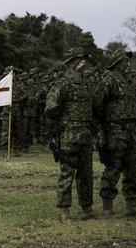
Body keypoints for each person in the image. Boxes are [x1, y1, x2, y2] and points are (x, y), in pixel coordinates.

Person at [45, 47, 100, 221]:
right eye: (79, 59)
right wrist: (65, 121)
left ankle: (87, 207)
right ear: (71, 63)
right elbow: (51, 107)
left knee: (86, 173)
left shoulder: (86, 83)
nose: (83, 62)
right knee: (67, 173)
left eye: (83, 59)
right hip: (69, 135)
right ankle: (64, 210)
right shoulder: (62, 83)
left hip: (85, 135)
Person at [97, 50, 136, 216]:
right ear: (116, 63)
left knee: (132, 168)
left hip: (131, 131)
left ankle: (131, 203)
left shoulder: (128, 81)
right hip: (115, 131)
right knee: (113, 167)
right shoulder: (108, 81)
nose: (127, 64)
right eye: (124, 61)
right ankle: (107, 205)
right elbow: (98, 104)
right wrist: (107, 124)